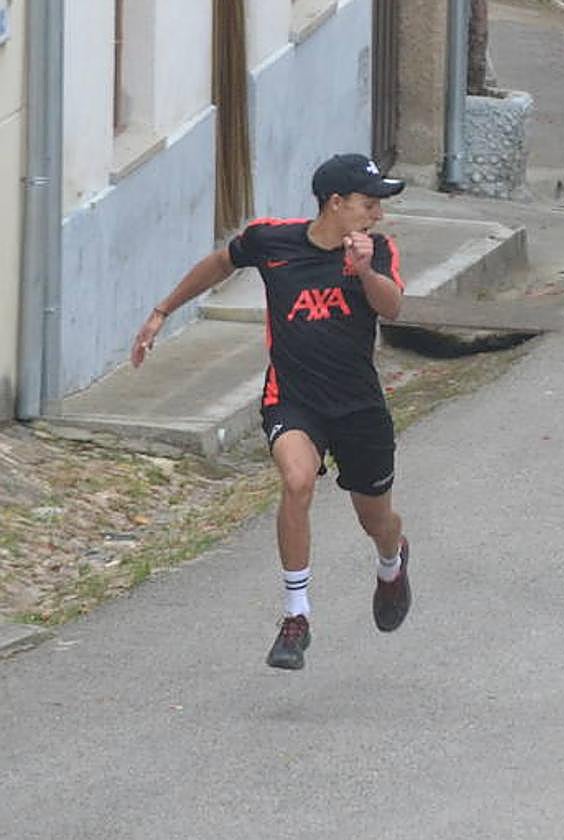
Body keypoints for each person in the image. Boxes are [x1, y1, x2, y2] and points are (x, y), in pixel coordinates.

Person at [130, 153, 412, 671]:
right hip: (294, 398)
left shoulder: (380, 251)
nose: (377, 215)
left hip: (358, 408)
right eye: (369, 204)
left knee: (376, 519)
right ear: (336, 203)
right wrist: (161, 312)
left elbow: (392, 307)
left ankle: (393, 563)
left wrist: (365, 270)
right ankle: (295, 616)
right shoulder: (272, 240)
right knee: (297, 481)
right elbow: (221, 263)